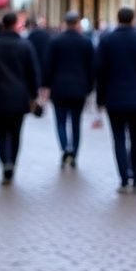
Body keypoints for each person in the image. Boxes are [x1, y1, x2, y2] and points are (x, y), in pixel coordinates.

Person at [0, 11, 41, 184]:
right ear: (15, 25)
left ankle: (4, 162)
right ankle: (11, 162)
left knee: (0, 133)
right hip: (19, 97)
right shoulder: (25, 46)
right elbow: (33, 73)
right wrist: (33, 95)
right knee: (15, 133)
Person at [96, 6, 136, 194]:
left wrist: (100, 99)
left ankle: (123, 179)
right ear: (132, 19)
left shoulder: (107, 40)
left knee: (119, 138)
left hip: (114, 99)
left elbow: (100, 72)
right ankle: (135, 177)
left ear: (117, 18)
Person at [41, 10, 94, 167]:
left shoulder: (55, 41)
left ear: (65, 22)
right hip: (79, 88)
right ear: (77, 23)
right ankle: (74, 152)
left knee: (60, 121)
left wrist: (45, 85)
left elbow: (48, 66)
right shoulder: (86, 42)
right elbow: (92, 67)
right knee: (76, 123)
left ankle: (65, 148)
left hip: (59, 88)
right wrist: (90, 87)